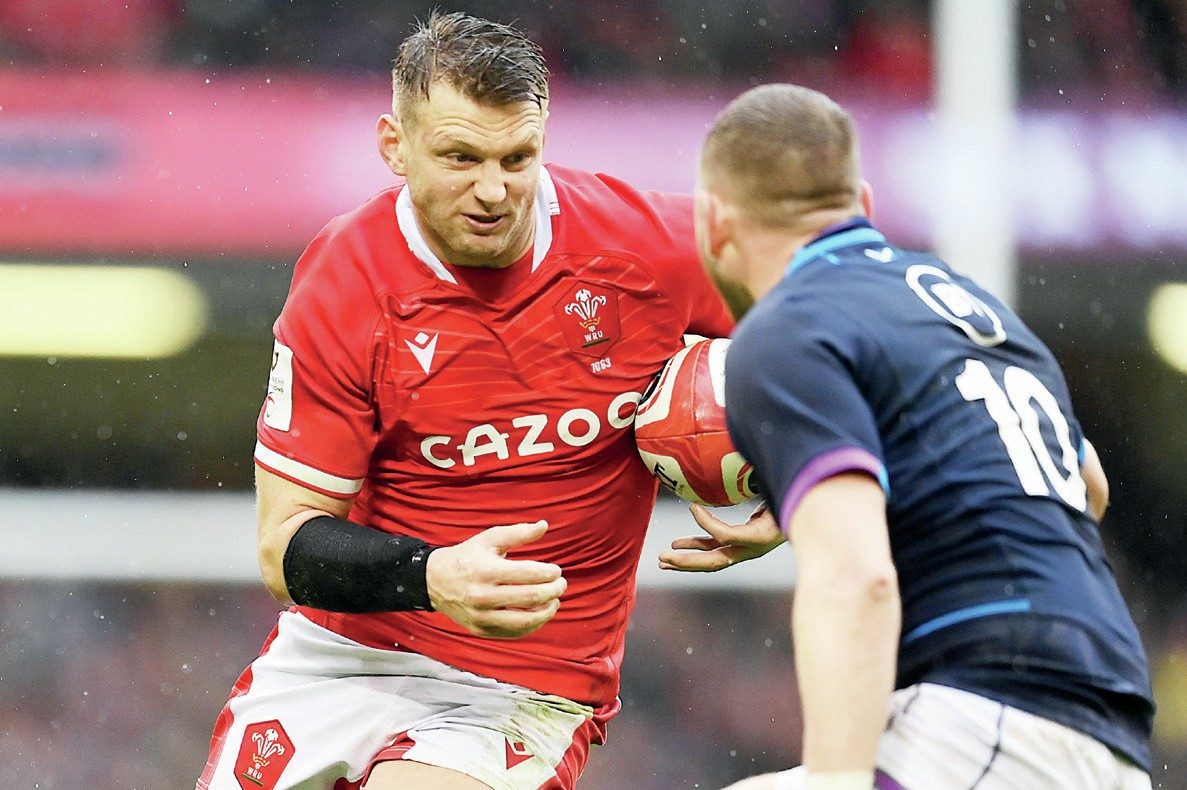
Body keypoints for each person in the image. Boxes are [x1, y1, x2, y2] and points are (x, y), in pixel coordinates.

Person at [196, 12, 732, 790]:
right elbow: (286, 549)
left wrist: (795, 486)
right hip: (338, 661)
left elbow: (842, 312)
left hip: (523, 684)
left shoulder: (649, 249)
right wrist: (430, 573)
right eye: (460, 157)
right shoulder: (345, 284)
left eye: (518, 158)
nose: (493, 190)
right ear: (394, 146)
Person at [661, 83, 1154, 789]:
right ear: (859, 204)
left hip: (985, 708)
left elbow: (856, 579)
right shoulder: (965, 303)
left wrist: (838, 777)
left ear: (712, 223)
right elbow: (1087, 487)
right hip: (1094, 715)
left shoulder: (785, 331)